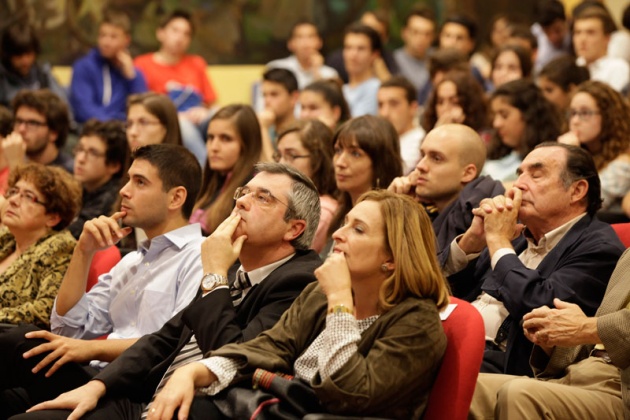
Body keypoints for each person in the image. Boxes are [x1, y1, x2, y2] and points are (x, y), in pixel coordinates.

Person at [18, 162, 323, 420]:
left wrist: (214, 274)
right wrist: (97, 387)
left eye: (263, 199)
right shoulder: (231, 266)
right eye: (244, 193)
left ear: (293, 229)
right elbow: (164, 339)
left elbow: (233, 359)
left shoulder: (299, 281)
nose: (242, 202)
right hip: (147, 395)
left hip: (197, 407)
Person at [134, 190, 449, 420]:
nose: (337, 234)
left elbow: (350, 394)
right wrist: (193, 373)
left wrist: (340, 304)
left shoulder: (417, 320)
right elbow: (270, 347)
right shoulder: (321, 292)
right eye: (345, 223)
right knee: (188, 407)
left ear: (392, 259)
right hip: (288, 408)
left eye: (358, 229)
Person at [0, 144, 205, 417]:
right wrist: (83, 252)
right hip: (92, 376)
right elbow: (68, 329)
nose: (124, 190)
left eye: (140, 182)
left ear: (175, 198)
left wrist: (88, 349)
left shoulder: (200, 255)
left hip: (135, 387)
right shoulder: (131, 261)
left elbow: (175, 345)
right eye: (128, 179)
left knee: (15, 341)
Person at [444, 142, 625, 376]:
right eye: (520, 174)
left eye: (536, 175)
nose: (518, 185)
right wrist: (472, 241)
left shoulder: (599, 248)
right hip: (453, 338)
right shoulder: (517, 232)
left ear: (577, 190)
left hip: (509, 364)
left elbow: (539, 307)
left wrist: (498, 241)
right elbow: (441, 290)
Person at [469, 246, 630, 419]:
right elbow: (597, 344)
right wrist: (553, 342)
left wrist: (583, 327)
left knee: (520, 394)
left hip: (621, 387)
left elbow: (594, 329)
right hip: (584, 372)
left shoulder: (599, 246)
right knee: (470, 388)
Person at [388, 124, 503, 261]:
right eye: (422, 155)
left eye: (436, 158)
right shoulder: (421, 208)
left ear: (467, 173)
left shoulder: (480, 218)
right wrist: (394, 207)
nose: (420, 166)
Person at [0, 163, 80, 327]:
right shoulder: (6, 237)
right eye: (14, 192)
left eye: (28, 196)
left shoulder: (60, 247)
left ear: (52, 217)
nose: (13, 200)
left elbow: (46, 310)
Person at [134, 9, 217, 166]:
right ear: (160, 33)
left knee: (221, 116)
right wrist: (177, 117)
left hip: (198, 118)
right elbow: (141, 107)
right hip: (170, 122)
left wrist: (203, 110)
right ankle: (206, 169)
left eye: (186, 34)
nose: (180, 37)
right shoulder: (142, 64)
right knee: (183, 125)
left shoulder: (196, 63)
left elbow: (209, 101)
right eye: (175, 30)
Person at [328, 115, 403, 250]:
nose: (340, 163)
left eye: (355, 154)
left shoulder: (391, 222)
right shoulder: (339, 211)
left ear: (381, 163)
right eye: (338, 150)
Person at [558, 81, 630, 211]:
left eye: (585, 113)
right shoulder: (590, 153)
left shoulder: (622, 166)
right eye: (573, 113)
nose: (575, 121)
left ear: (608, 116)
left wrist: (571, 157)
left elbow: (580, 205)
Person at [190, 105, 262, 234]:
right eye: (210, 138)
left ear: (247, 145)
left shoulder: (251, 191)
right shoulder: (211, 181)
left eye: (225, 139)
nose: (214, 147)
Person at [69, 9, 147, 124]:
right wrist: (114, 125)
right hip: (93, 129)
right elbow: (84, 110)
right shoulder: (83, 67)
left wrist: (131, 78)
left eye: (113, 37)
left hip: (126, 132)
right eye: (102, 35)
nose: (106, 42)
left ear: (126, 40)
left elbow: (143, 111)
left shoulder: (135, 74)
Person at [274, 120, 338, 253]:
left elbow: (282, 259)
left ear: (318, 160)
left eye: (291, 155)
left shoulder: (322, 210)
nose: (280, 164)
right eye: (279, 155)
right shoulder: (291, 200)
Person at [483, 79, 562, 183]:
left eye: (504, 115)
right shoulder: (492, 156)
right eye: (494, 116)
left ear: (528, 115)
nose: (496, 123)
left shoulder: (548, 162)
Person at [68, 119, 130, 239]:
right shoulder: (83, 187)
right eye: (80, 149)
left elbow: (72, 235)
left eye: (93, 153)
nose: (80, 159)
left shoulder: (112, 198)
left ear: (113, 166)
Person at [0, 22, 68, 108]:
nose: (25, 61)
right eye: (18, 55)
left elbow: (62, 106)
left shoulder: (43, 73)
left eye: (28, 54)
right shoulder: (2, 79)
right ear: (8, 55)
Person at [4, 89, 73, 173]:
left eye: (32, 123)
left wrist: (15, 164)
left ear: (53, 133)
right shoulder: (9, 157)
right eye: (19, 121)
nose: (21, 129)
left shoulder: (67, 173)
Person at [266, 20, 338, 88]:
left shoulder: (330, 74)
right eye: (300, 37)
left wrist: (316, 71)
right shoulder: (277, 68)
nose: (305, 43)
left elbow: (327, 99)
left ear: (320, 42)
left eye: (310, 37)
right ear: (290, 44)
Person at [573, 6, 629, 92]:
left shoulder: (618, 68)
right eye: (578, 32)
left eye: (590, 32)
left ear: (607, 39)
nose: (582, 39)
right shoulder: (574, 65)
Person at [377, 76, 425, 174]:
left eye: (393, 104)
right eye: (381, 105)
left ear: (413, 108)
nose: (384, 113)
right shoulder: (380, 141)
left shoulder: (422, 143)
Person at [421, 70, 488, 135]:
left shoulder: (484, 136)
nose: (445, 108)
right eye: (440, 102)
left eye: (454, 102)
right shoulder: (427, 134)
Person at [342, 23, 382, 117]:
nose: (353, 55)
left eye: (361, 49)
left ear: (374, 55)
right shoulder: (343, 89)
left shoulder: (377, 89)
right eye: (348, 47)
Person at [258, 68, 298, 161]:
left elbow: (276, 172)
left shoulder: (302, 133)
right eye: (264, 95)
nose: (267, 101)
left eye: (274, 94)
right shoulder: (267, 129)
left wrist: (262, 128)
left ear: (294, 98)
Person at [393, 6, 436, 92]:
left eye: (427, 34)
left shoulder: (438, 59)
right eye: (416, 32)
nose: (421, 39)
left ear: (433, 37)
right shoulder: (393, 61)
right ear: (404, 33)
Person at [531, 0, 571, 73]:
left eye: (557, 30)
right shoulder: (534, 35)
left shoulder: (576, 36)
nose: (553, 38)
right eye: (547, 33)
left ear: (566, 21)